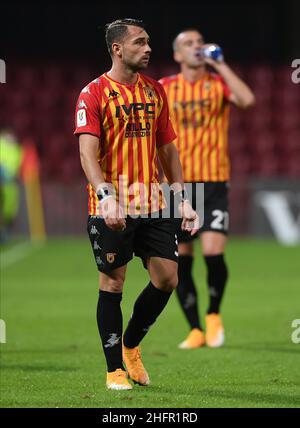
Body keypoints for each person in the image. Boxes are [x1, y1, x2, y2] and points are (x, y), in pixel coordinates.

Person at [74, 19, 199, 390]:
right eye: (140, 43)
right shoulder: (93, 94)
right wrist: (107, 197)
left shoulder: (155, 90)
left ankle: (131, 345)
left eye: (148, 42)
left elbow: (168, 148)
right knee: (113, 283)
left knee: (167, 279)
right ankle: (114, 368)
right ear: (117, 49)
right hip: (111, 206)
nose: (148, 49)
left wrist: (183, 199)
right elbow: (87, 153)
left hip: (154, 201)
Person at [160, 29, 255, 349]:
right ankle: (195, 329)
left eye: (199, 42)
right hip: (180, 185)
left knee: (214, 254)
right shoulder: (164, 88)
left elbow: (247, 100)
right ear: (177, 55)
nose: (196, 47)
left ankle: (213, 315)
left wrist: (222, 65)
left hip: (214, 180)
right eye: (188, 44)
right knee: (181, 260)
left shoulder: (218, 83)